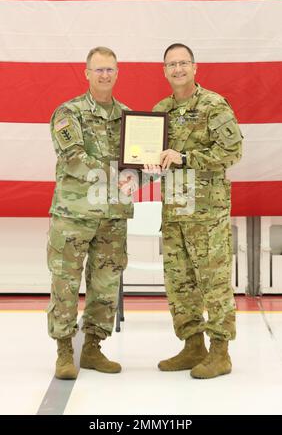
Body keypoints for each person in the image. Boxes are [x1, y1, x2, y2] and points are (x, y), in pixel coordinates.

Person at [152, 43, 243, 378]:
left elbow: (232, 151)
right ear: (164, 71)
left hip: (206, 212)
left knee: (214, 281)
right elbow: (153, 157)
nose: (177, 69)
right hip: (174, 211)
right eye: (171, 64)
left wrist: (186, 159)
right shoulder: (160, 109)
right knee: (180, 283)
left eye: (183, 63)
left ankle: (220, 352)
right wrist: (146, 162)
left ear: (195, 67)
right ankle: (192, 346)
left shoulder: (213, 105)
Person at [47, 47, 137, 379]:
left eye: (109, 69)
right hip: (74, 215)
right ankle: (64, 351)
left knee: (105, 284)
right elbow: (73, 158)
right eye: (98, 69)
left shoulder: (129, 117)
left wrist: (149, 168)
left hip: (112, 217)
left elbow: (138, 163)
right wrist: (118, 174)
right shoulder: (68, 113)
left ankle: (93, 348)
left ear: (117, 73)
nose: (104, 75)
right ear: (86, 73)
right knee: (65, 284)